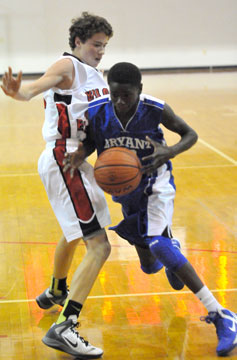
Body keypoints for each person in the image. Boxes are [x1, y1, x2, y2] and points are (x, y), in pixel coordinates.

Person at [64, 62, 237, 357]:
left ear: (139, 91)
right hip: (126, 194)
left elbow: (190, 134)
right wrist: (82, 153)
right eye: (115, 95)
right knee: (149, 264)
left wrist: (170, 151)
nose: (120, 101)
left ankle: (221, 314)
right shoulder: (98, 111)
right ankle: (172, 253)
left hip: (156, 185)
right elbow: (93, 141)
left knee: (159, 245)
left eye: (127, 96)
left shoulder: (155, 108)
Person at [1, 12, 114, 359]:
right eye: (96, 44)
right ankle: (65, 326)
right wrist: (21, 92)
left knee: (76, 231)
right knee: (100, 247)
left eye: (105, 46)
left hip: (76, 157)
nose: (100, 51)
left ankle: (55, 291)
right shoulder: (67, 66)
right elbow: (37, 86)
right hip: (64, 158)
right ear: (78, 42)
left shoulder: (97, 76)